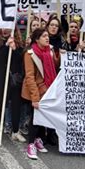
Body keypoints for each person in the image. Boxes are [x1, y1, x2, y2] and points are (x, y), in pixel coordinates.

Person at [0, 27, 26, 144]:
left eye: (8, 27)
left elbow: (20, 59)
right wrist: (6, 46)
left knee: (16, 104)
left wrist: (15, 48)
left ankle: (15, 131)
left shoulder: (19, 42)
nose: (5, 30)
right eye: (3, 27)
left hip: (15, 79)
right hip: (0, 77)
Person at [22, 28, 60, 160]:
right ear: (37, 39)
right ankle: (30, 144)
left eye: (48, 36)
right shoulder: (30, 53)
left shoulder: (49, 50)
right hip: (36, 91)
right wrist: (35, 98)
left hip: (47, 90)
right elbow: (30, 77)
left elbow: (55, 66)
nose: (47, 38)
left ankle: (38, 139)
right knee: (34, 117)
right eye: (44, 36)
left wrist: (58, 55)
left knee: (42, 117)